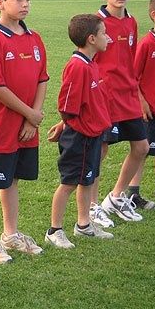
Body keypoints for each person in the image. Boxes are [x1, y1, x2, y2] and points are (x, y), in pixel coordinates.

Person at [0, 0, 49, 264]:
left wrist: (33, 118)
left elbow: (42, 78)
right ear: (0, 2)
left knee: (13, 178)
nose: (25, 3)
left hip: (26, 126)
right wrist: (29, 113)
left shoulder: (34, 38)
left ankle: (10, 233)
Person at [45, 15, 113, 249]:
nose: (109, 38)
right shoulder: (77, 66)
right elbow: (66, 106)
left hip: (92, 134)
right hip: (79, 137)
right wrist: (70, 127)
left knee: (88, 179)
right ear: (92, 39)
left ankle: (83, 225)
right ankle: (55, 230)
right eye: (104, 33)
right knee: (69, 182)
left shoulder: (91, 63)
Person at [88, 0, 150, 223]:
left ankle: (115, 196)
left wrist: (138, 93)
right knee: (99, 152)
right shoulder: (95, 24)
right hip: (104, 97)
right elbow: (88, 61)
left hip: (128, 95)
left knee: (141, 147)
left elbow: (129, 62)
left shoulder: (132, 21)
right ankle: (92, 207)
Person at [127, 0, 155, 206]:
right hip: (150, 109)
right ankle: (133, 191)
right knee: (143, 150)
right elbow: (133, 76)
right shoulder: (147, 44)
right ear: (154, 15)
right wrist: (141, 101)